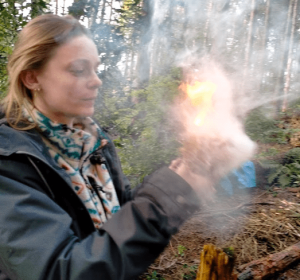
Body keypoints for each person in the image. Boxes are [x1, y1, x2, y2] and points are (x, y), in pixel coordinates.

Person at [0, 14, 202, 280]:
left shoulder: (94, 143)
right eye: (78, 70)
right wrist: (163, 201)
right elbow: (62, 271)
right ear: (31, 79)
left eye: (96, 69)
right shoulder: (11, 162)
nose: (96, 80)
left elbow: (119, 218)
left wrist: (176, 181)